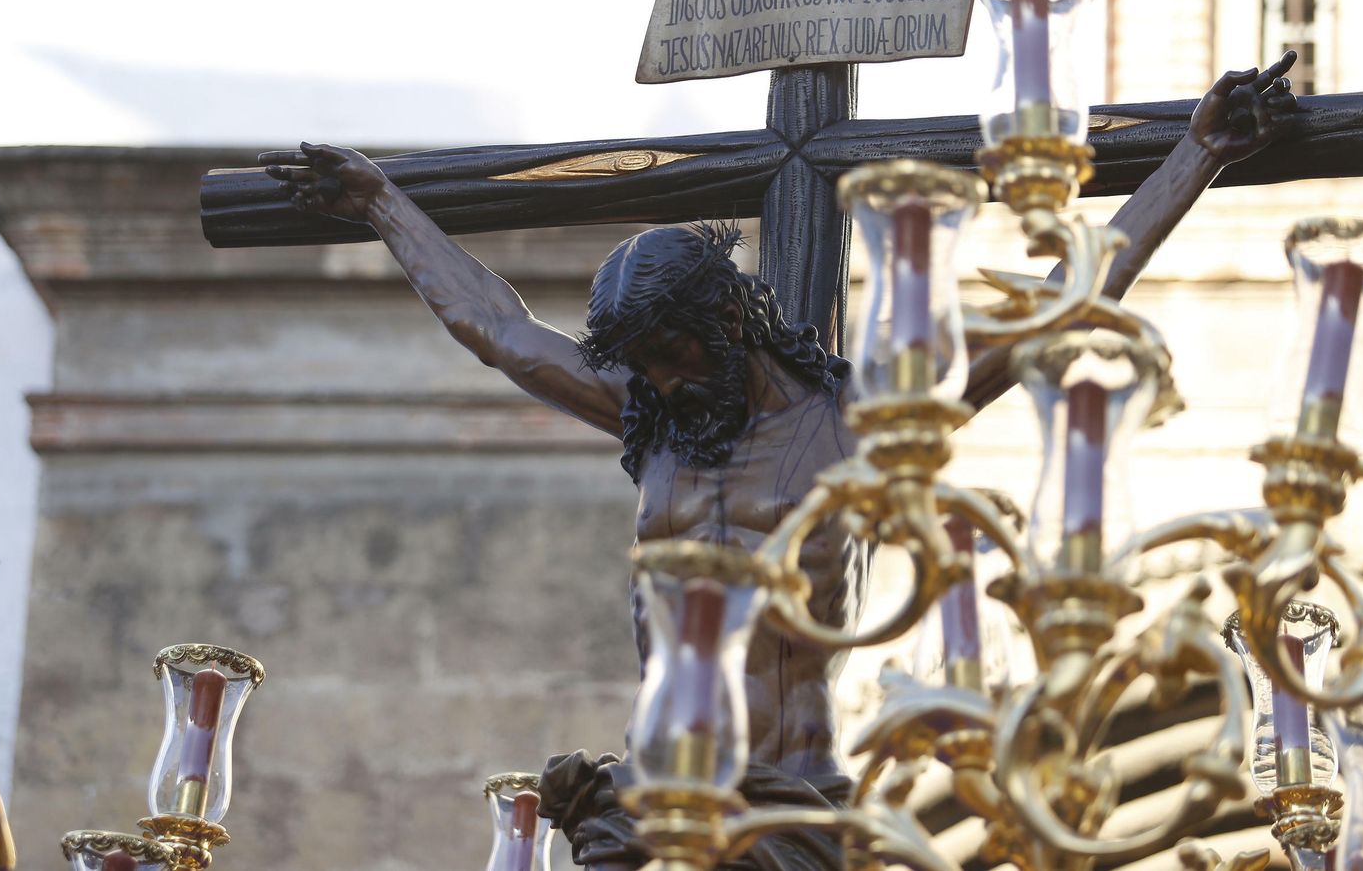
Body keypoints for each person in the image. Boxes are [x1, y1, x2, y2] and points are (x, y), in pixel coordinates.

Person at [264, 53, 1299, 869]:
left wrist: (1195, 154)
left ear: (726, 321)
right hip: (655, 799)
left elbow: (1066, 304)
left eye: (673, 357)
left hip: (792, 806)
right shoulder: (647, 417)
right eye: (644, 368)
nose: (662, 384)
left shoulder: (862, 422)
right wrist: (381, 204)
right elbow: (497, 328)